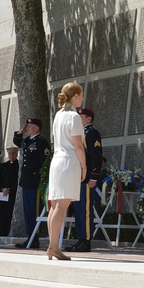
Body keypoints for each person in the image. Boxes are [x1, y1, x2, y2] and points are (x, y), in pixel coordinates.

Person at [47, 82, 87, 260]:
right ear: (76, 96)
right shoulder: (74, 116)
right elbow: (79, 145)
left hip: (56, 161)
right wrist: (84, 166)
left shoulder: (58, 114)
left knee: (55, 206)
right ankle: (54, 247)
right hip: (68, 161)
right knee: (61, 206)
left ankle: (52, 246)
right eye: (81, 95)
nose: (83, 98)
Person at [65, 107, 103, 253]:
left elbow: (96, 156)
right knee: (79, 209)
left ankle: (85, 241)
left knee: (85, 210)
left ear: (89, 119)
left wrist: (93, 176)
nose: (78, 120)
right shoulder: (79, 134)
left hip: (87, 178)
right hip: (78, 177)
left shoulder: (92, 133)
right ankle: (80, 238)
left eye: (81, 118)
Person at [13, 117, 50, 249]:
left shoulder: (41, 142)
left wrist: (43, 181)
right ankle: (30, 236)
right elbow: (16, 141)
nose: (27, 128)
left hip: (36, 182)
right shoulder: (27, 141)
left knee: (34, 211)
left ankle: (35, 238)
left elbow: (45, 163)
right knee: (27, 211)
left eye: (30, 126)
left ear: (37, 128)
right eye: (27, 126)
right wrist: (20, 131)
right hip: (26, 181)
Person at [0, 147, 20, 236]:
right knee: (0, 213)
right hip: (2, 193)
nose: (11, 155)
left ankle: (7, 231)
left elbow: (17, 180)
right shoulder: (3, 165)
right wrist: (2, 188)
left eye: (13, 153)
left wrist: (9, 189)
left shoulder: (18, 165)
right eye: (10, 153)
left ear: (16, 154)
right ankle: (0, 232)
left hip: (12, 193)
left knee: (9, 213)